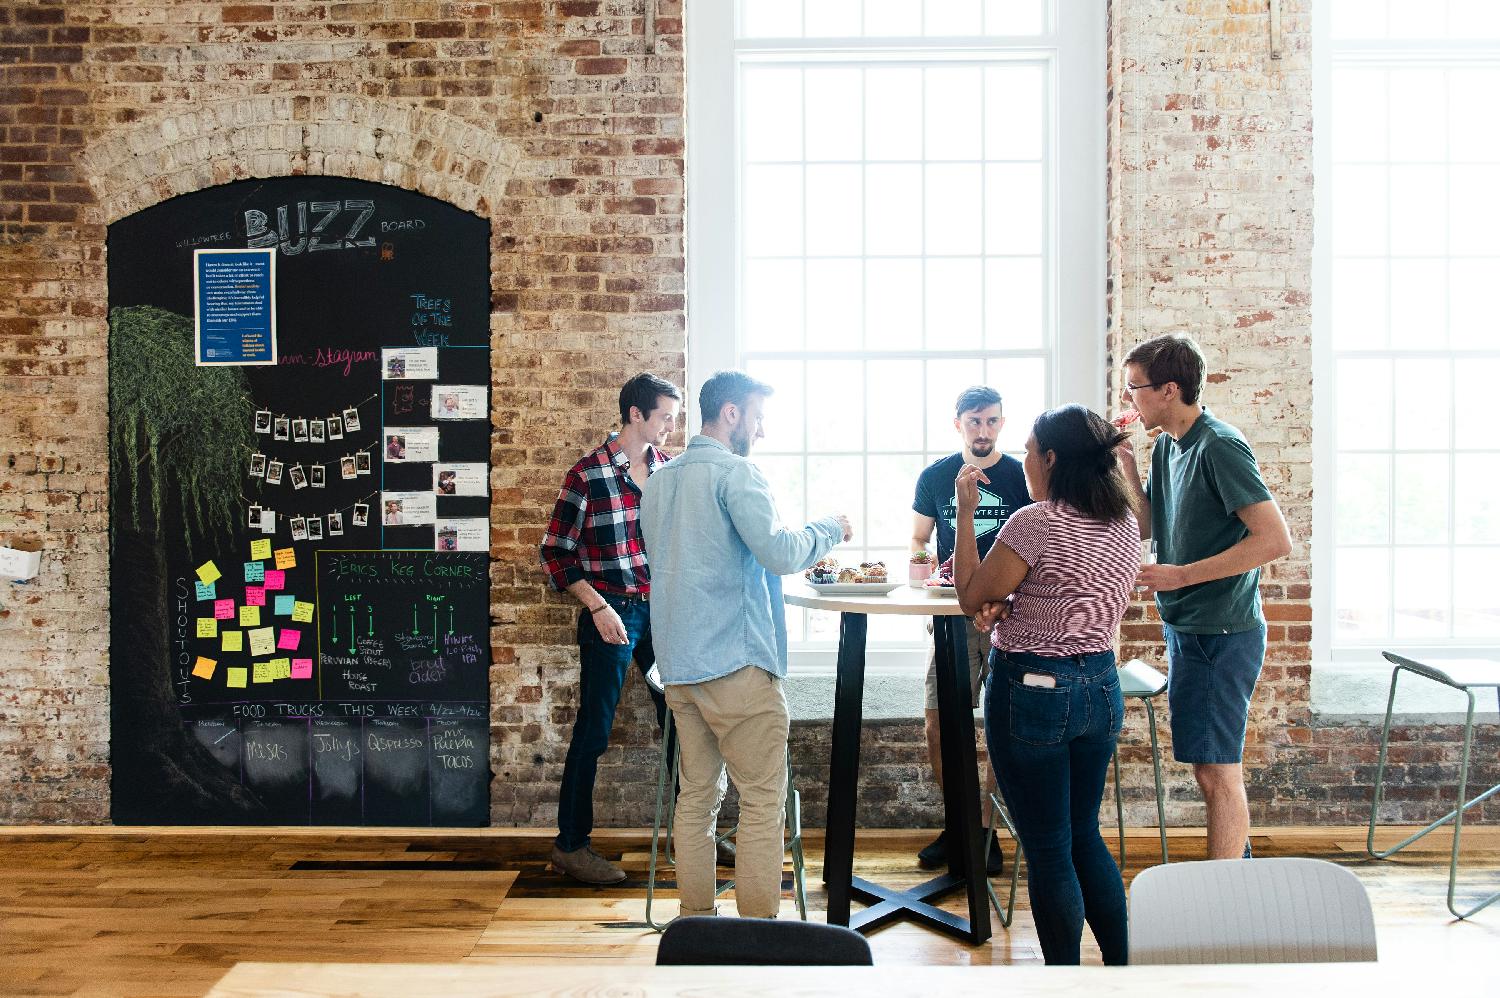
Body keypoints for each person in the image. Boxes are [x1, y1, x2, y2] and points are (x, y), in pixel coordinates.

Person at [641, 370, 850, 918]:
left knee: (697, 800)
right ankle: (758, 933)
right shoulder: (738, 475)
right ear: (730, 413)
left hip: (680, 669)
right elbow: (780, 553)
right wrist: (831, 528)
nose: (762, 430)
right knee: (760, 801)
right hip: (736, 667)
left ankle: (696, 924)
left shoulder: (659, 483)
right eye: (757, 416)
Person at [955, 404, 1140, 965]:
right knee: (1083, 834)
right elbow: (1067, 595)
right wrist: (1015, 603)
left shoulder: (1037, 523)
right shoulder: (1123, 520)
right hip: (1101, 687)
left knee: (1049, 849)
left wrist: (966, 513)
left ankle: (1062, 979)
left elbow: (968, 595)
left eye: (1031, 451)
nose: (1026, 461)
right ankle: (1120, 971)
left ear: (1053, 459)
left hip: (1034, 692)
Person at [1116, 333, 1291, 861]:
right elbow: (1150, 522)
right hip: (1188, 627)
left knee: (1218, 771)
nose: (1129, 401)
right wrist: (1127, 468)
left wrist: (1182, 576)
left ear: (1169, 389)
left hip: (1223, 631)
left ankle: (1225, 898)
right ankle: (1237, 878)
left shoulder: (1219, 445)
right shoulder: (1169, 444)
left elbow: (1274, 540)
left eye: (1134, 390)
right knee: (1207, 764)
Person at [539, 373, 683, 885]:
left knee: (681, 720)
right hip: (611, 616)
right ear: (635, 415)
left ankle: (695, 833)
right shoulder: (588, 475)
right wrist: (598, 608)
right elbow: (555, 553)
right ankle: (570, 845)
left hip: (661, 616)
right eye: (664, 416)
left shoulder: (669, 472)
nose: (671, 426)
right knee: (594, 731)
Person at [910, 385, 1030, 872]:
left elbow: (1039, 546)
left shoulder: (1022, 476)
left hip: (1010, 621)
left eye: (992, 422)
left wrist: (1005, 600)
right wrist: (925, 575)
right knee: (939, 726)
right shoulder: (936, 476)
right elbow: (919, 539)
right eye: (974, 422)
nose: (983, 431)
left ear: (1002, 423)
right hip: (951, 619)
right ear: (957, 423)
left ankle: (986, 831)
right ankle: (961, 825)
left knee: (1002, 729)